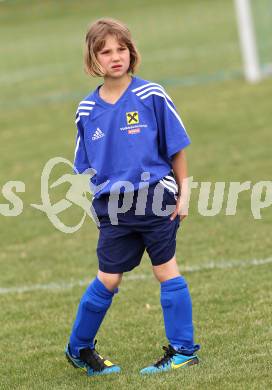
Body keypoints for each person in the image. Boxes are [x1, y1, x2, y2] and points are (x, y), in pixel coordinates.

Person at [65, 17, 200, 377]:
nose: (115, 57)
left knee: (166, 271)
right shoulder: (86, 110)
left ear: (132, 52)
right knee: (108, 279)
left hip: (156, 197)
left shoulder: (151, 95)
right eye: (105, 51)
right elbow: (84, 167)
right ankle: (79, 349)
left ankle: (184, 350)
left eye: (121, 49)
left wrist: (184, 194)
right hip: (114, 207)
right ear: (93, 60)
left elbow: (176, 150)